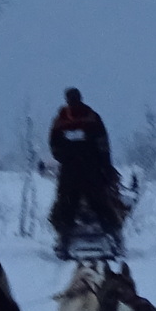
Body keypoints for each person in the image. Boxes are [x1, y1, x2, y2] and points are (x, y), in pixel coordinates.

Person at [46, 87, 123, 253]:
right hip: (78, 168)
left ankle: (112, 237)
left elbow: (102, 143)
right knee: (71, 204)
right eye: (71, 98)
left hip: (86, 168)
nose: (72, 101)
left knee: (92, 202)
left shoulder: (88, 117)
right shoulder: (64, 120)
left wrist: (104, 165)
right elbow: (54, 145)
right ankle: (65, 239)